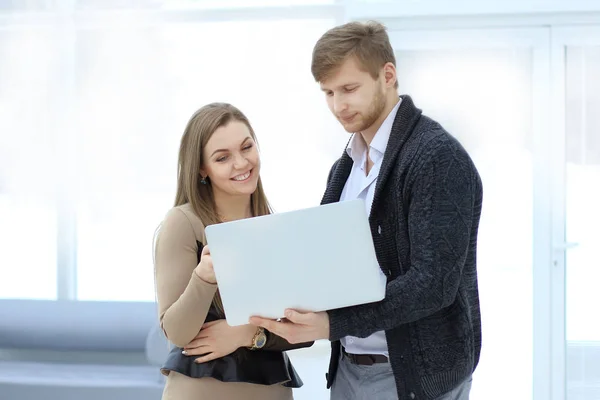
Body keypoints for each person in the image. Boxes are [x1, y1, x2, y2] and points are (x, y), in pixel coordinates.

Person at [250, 21, 483, 400]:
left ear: (387, 75)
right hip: (349, 370)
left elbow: (433, 284)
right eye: (327, 92)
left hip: (414, 379)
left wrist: (332, 324)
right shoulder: (348, 164)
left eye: (349, 89)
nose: (338, 105)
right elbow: (337, 262)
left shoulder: (437, 158)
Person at [154, 103, 312, 400]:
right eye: (222, 157)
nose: (241, 163)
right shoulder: (184, 222)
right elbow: (177, 333)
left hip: (271, 393)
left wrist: (245, 334)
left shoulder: (275, 226)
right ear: (202, 168)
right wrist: (203, 278)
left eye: (246, 147)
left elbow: (305, 329)